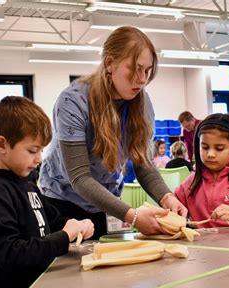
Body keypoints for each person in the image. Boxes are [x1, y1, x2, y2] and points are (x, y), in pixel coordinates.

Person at [39, 26, 187, 239]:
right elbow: (80, 177)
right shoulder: (73, 101)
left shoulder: (142, 103)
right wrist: (133, 217)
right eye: (134, 69)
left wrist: (166, 197)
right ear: (109, 63)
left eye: (147, 70)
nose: (142, 78)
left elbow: (143, 163)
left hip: (106, 202)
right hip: (63, 203)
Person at [0, 96, 94, 288]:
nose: (40, 158)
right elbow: (11, 254)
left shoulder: (27, 185)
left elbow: (55, 221)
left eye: (41, 150)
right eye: (33, 151)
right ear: (1, 144)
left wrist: (77, 224)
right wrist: (65, 236)